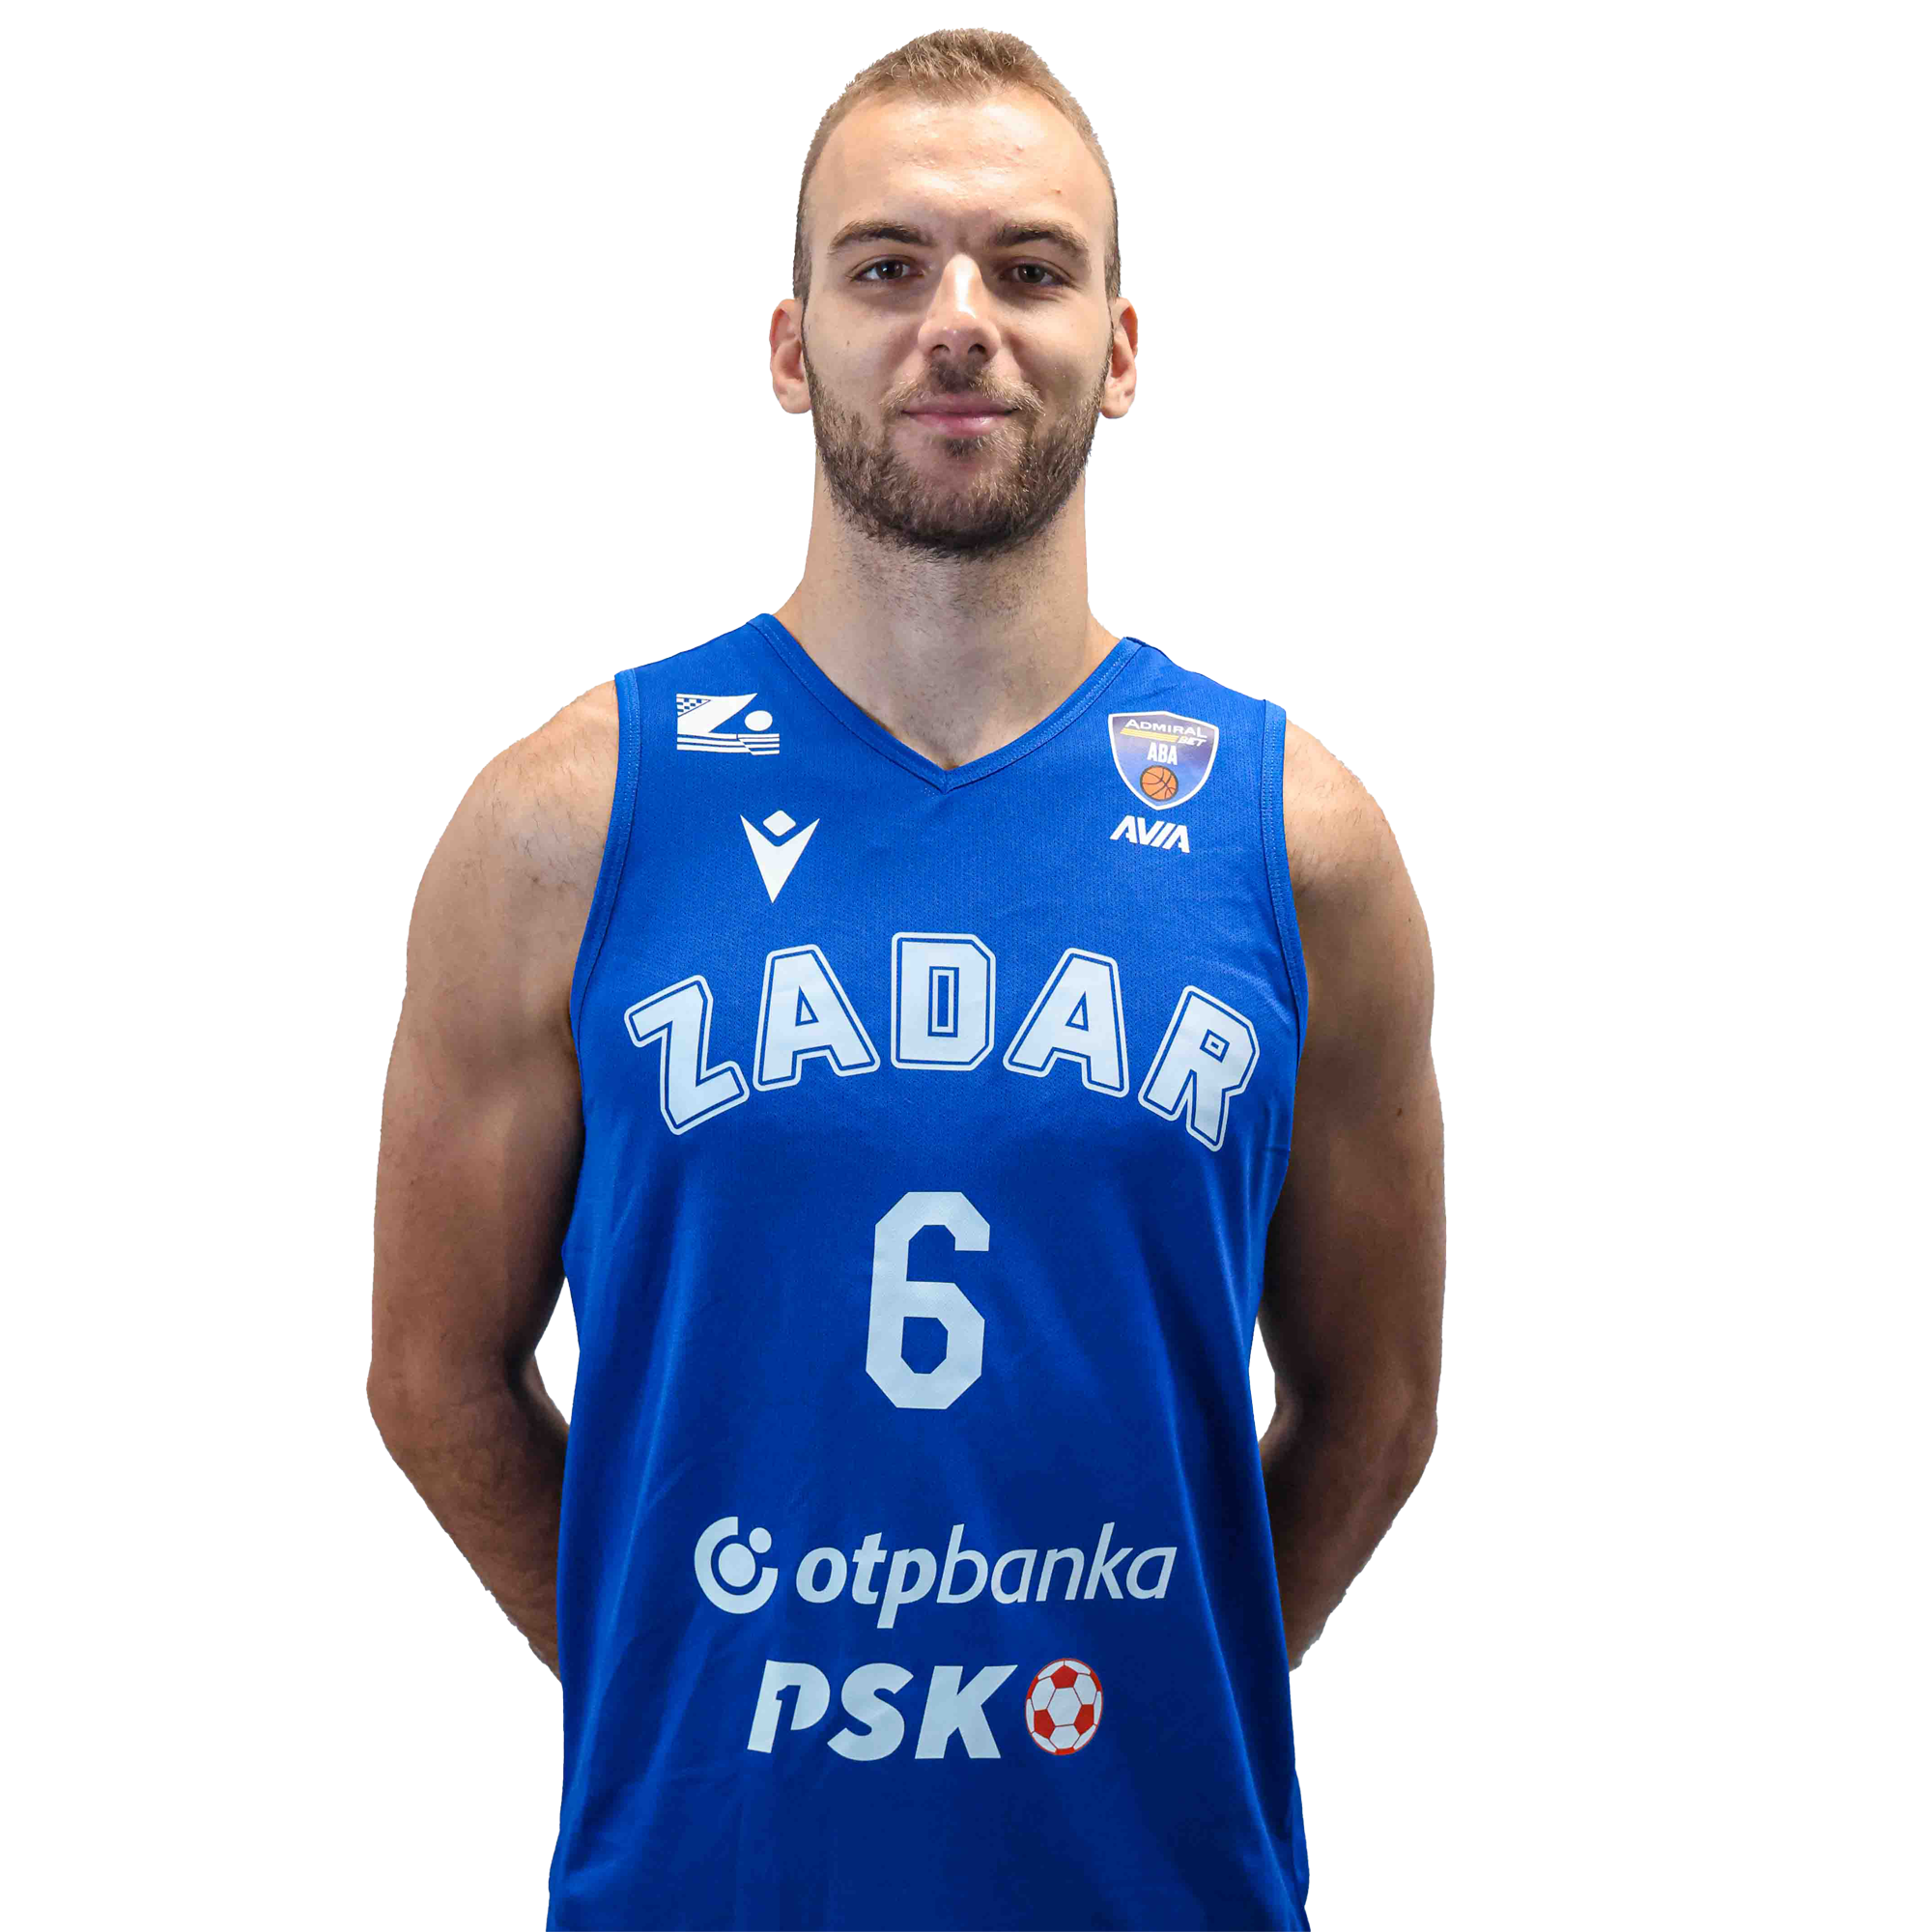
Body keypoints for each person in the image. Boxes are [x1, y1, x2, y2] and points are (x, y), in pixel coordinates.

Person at [371, 26, 1442, 1932]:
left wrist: (1157, 1704)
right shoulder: (565, 822)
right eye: (888, 267)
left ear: (1119, 345)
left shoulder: (1297, 842)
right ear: (795, 345)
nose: (961, 321)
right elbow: (431, 1370)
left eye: (1030, 269)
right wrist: (673, 1687)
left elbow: (1380, 1393)